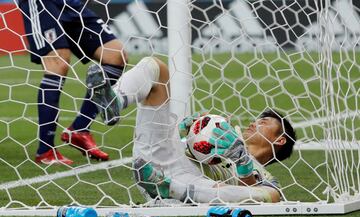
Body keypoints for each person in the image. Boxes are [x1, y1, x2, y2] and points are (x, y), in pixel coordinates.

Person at [86, 56, 297, 203]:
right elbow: (179, 145)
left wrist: (242, 160)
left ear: (280, 140)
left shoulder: (264, 174)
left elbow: (265, 194)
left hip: (192, 185)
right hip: (157, 163)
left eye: (265, 122)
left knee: (270, 196)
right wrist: (182, 131)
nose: (255, 122)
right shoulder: (226, 134)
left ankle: (171, 189)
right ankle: (114, 101)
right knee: (157, 67)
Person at [17, 0, 127, 165]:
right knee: (58, 62)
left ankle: (79, 129)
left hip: (70, 3)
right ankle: (45, 150)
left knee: (116, 55)